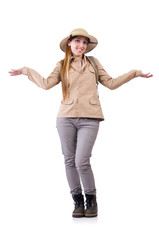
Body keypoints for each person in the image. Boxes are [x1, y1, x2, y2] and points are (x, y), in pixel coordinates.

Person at [9, 28, 153, 218]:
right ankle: (77, 200)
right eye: (77, 41)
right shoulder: (61, 65)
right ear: (69, 43)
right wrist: (26, 71)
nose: (81, 46)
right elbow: (45, 84)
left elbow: (110, 83)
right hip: (65, 117)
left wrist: (134, 73)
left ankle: (91, 199)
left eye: (84, 43)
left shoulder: (94, 63)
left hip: (90, 118)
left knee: (81, 161)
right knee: (69, 160)